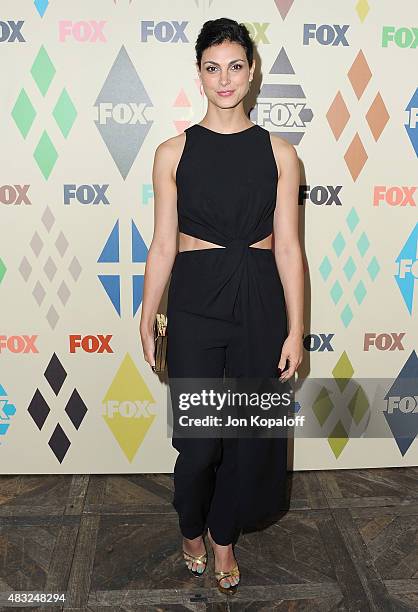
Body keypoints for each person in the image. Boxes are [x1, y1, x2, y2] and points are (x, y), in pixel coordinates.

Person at [140, 17, 304, 595]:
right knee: (200, 437)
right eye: (213, 68)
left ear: (252, 71)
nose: (225, 78)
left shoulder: (281, 155)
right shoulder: (172, 152)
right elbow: (163, 243)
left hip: (260, 295)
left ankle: (223, 536)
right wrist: (146, 312)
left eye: (236, 65)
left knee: (244, 433)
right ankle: (191, 523)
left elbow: (288, 246)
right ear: (200, 75)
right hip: (196, 297)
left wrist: (297, 328)